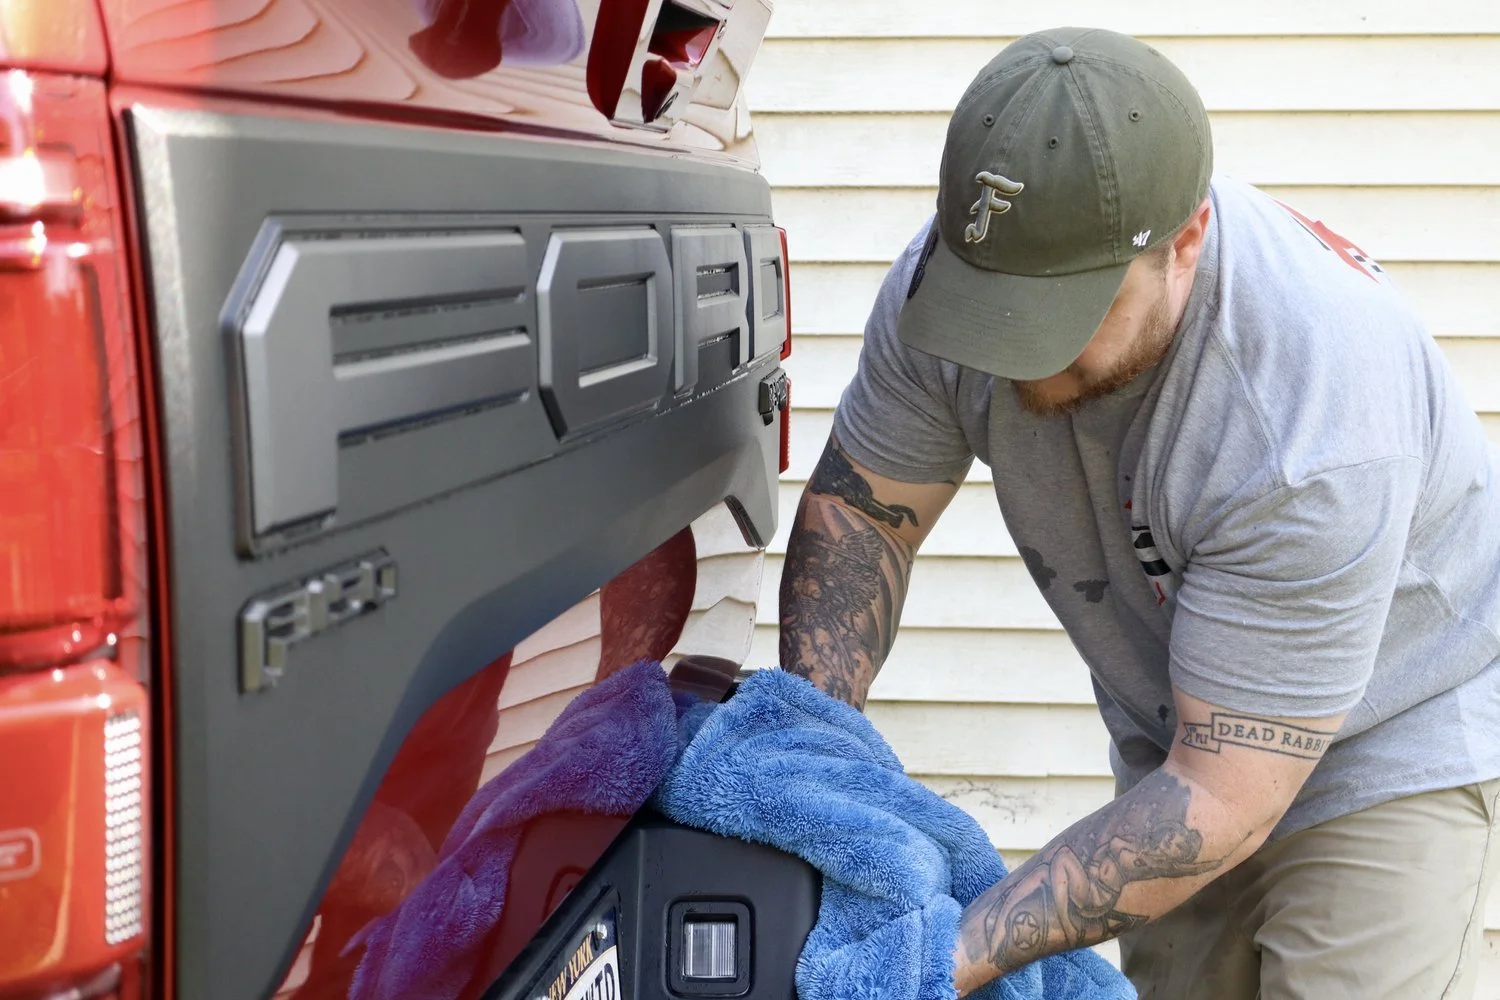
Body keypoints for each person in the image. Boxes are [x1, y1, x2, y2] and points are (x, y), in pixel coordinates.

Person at [776, 25, 1500, 1000]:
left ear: (1185, 242)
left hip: (1388, 736)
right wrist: (815, 761)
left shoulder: (1309, 422)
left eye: (1061, 316)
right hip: (1178, 738)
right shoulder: (947, 287)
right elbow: (867, 518)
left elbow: (1223, 793)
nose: (1014, 354)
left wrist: (934, 959)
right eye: (994, 309)